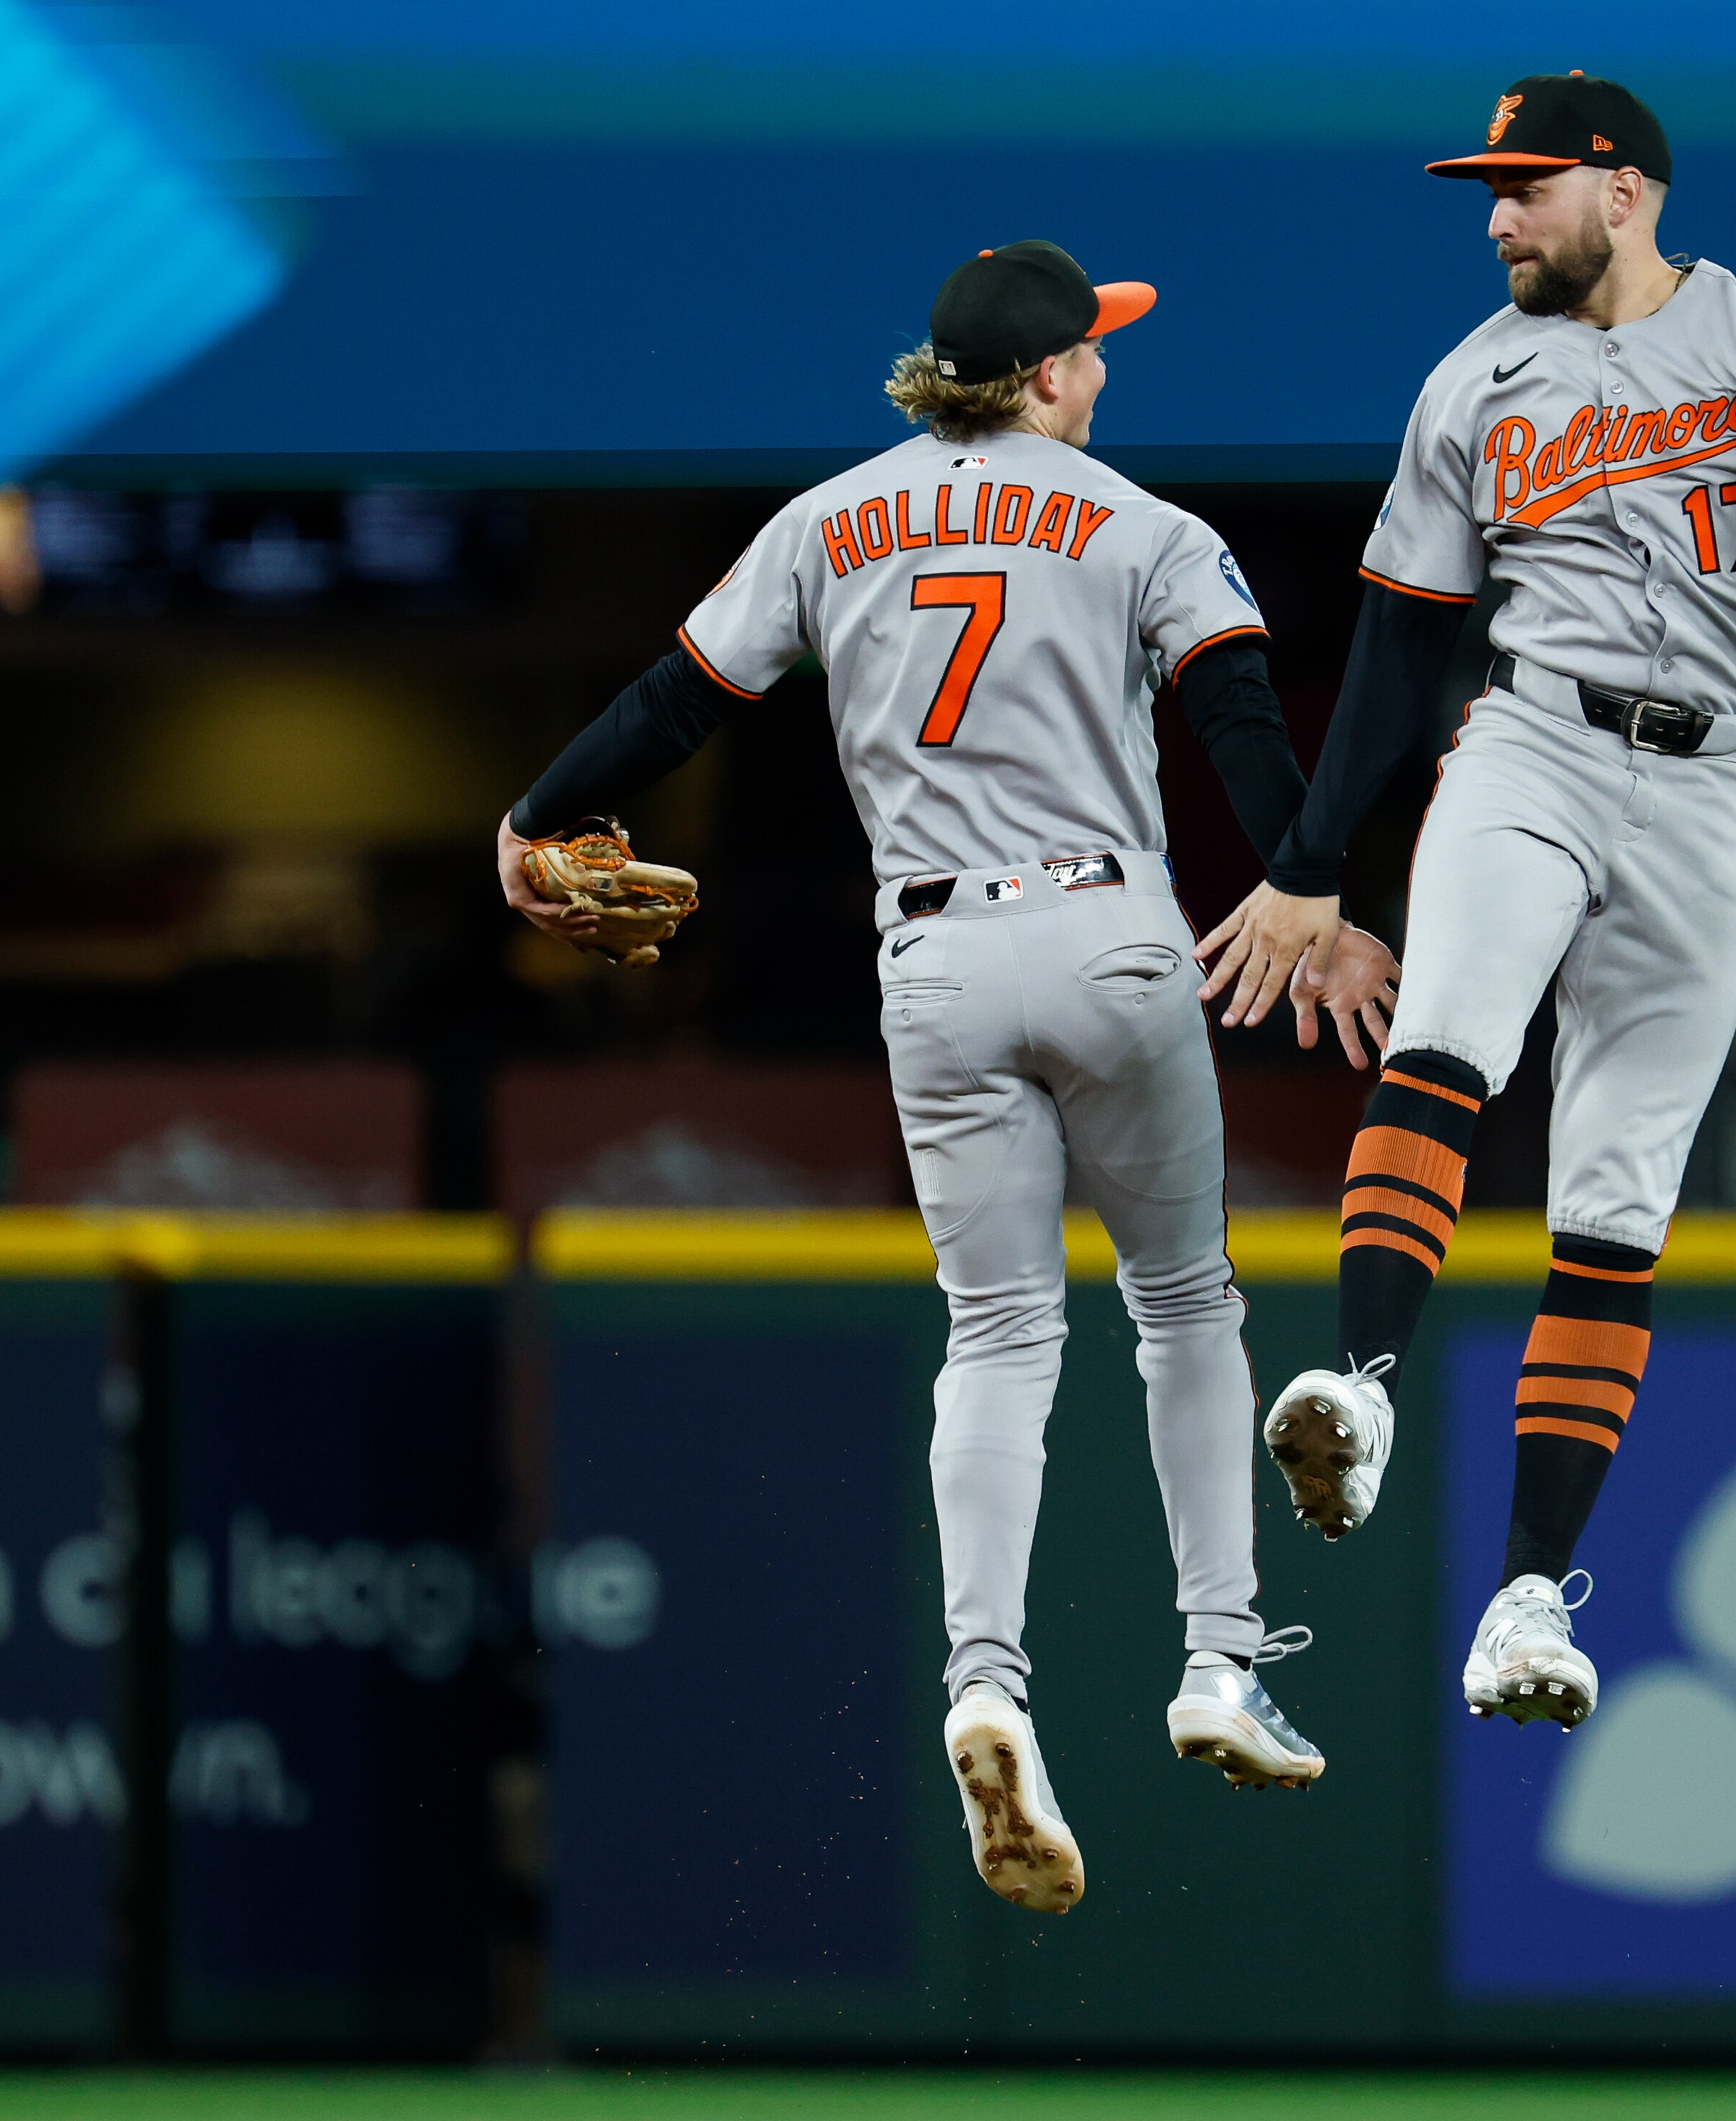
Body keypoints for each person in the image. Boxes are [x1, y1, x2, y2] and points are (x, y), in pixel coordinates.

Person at [496, 240, 1398, 1915]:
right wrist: (1313, 885)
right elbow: (1243, 727)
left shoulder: (830, 519)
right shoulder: (1139, 524)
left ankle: (986, 1688)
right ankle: (1216, 1660)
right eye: (1095, 352)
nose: (1107, 372)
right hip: (1110, 932)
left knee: (997, 1331)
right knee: (1186, 1304)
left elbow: (672, 705)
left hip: (932, 957)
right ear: (1049, 375)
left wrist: (534, 818)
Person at [1191, 72, 1736, 1731]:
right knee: (1446, 1040)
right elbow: (1407, 641)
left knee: (1617, 1201)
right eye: (1489, 188)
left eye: (1522, 184)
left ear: (1621, 191)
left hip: (1717, 786)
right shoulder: (1469, 381)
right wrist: (1313, 859)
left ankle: (1527, 1599)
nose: (1493, 216)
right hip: (1532, 738)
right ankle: (1368, 1378)